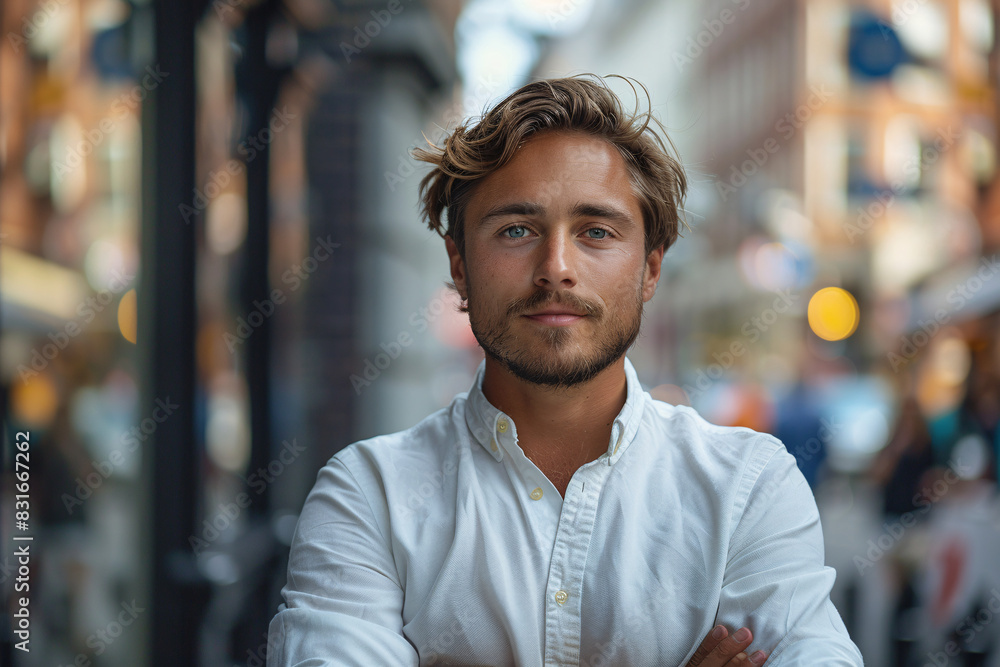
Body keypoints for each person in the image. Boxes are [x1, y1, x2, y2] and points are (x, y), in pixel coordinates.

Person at [266, 74, 863, 666]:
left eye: (596, 232)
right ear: (460, 266)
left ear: (651, 268)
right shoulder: (370, 496)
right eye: (516, 230)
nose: (556, 268)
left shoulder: (748, 489)